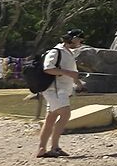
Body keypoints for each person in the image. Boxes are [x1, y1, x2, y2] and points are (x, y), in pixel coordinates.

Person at [35, 30, 85, 159]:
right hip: (55, 89)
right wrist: (68, 73)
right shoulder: (56, 51)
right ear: (72, 39)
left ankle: (42, 148)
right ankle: (54, 147)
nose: (81, 42)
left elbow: (71, 72)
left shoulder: (68, 53)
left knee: (50, 119)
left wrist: (77, 82)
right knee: (65, 114)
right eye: (79, 39)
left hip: (61, 89)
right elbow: (48, 68)